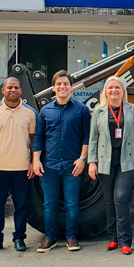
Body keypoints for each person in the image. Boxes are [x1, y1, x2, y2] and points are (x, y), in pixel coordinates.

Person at [32, 70, 91, 253]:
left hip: (72, 165)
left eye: (66, 84)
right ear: (53, 88)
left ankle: (71, 238)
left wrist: (82, 159)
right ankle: (50, 238)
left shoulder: (81, 110)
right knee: (49, 204)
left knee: (72, 203)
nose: (62, 87)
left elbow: (87, 137)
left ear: (72, 87)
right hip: (49, 165)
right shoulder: (45, 111)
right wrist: (36, 161)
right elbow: (39, 137)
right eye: (58, 84)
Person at [88, 77, 134, 255]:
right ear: (105, 91)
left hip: (127, 160)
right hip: (105, 161)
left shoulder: (132, 110)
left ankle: (125, 241)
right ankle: (112, 238)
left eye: (117, 88)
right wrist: (91, 161)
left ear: (123, 91)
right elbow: (93, 139)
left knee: (121, 198)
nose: (114, 91)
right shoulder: (98, 112)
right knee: (108, 201)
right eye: (110, 88)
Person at [0, 77, 37, 253]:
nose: (13, 90)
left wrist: (32, 163)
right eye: (9, 87)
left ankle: (19, 238)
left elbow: (33, 140)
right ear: (3, 91)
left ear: (21, 91)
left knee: (21, 206)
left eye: (16, 87)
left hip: (22, 168)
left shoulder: (30, 113)